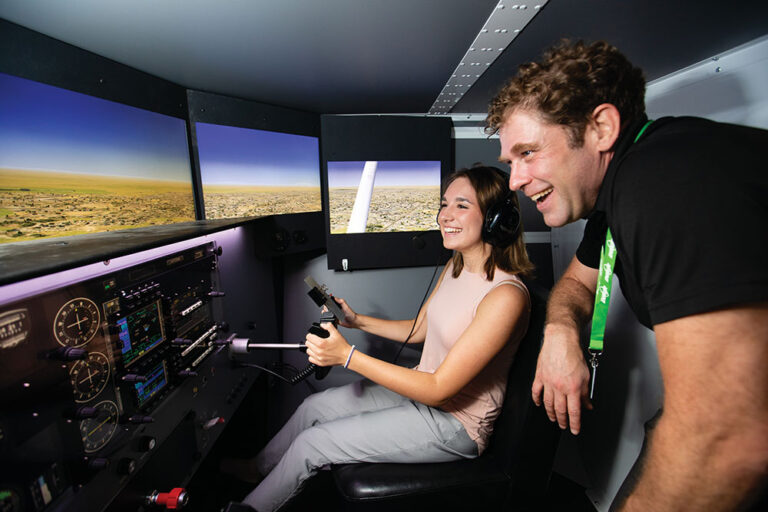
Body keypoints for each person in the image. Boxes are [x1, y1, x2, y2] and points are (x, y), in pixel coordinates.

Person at [486, 39, 768, 511]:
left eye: (528, 152)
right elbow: (576, 284)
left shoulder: (663, 180)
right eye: (510, 163)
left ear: (601, 128)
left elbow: (727, 439)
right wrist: (560, 334)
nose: (514, 180)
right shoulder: (620, 193)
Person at [224, 166, 534, 512]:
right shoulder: (455, 267)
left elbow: (438, 389)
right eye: (444, 204)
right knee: (314, 407)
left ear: (495, 220)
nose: (445, 216)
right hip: (420, 393)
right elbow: (419, 329)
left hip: (455, 424)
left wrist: (347, 356)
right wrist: (357, 321)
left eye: (461, 205)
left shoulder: (506, 296)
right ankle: (257, 470)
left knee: (315, 443)